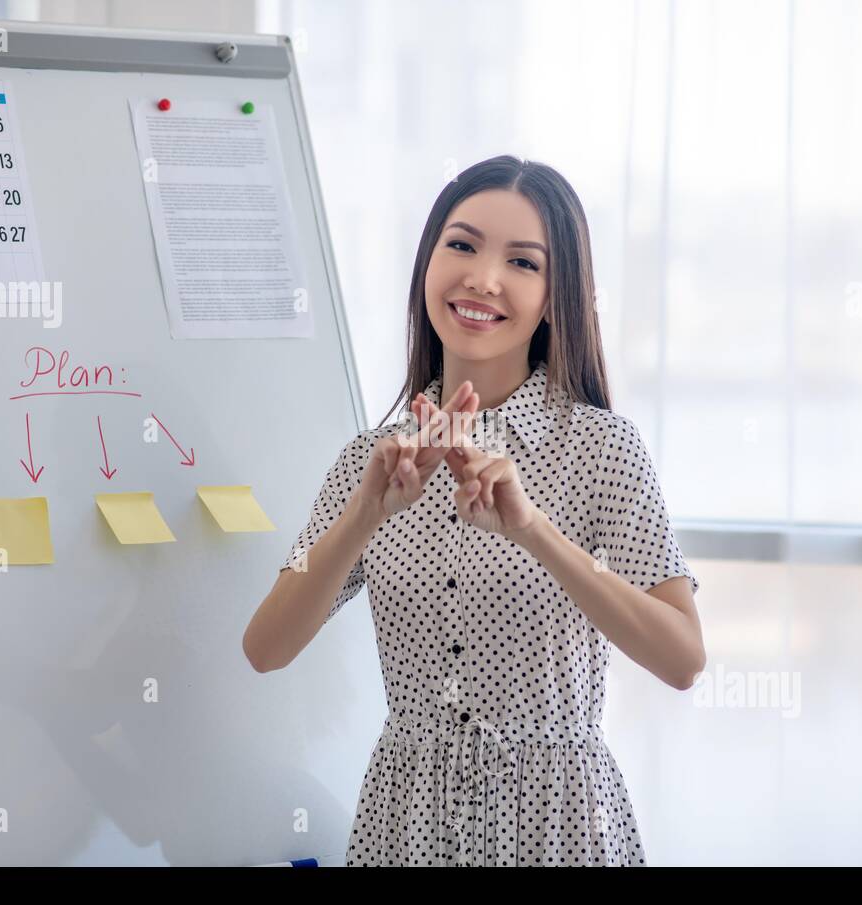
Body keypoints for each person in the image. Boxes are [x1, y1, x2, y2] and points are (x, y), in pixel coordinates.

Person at [243, 155, 704, 866]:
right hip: (407, 823)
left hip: (557, 825)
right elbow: (265, 647)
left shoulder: (602, 448)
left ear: (554, 297)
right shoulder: (373, 459)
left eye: (522, 262)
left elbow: (682, 658)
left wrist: (534, 532)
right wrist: (364, 514)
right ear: (427, 265)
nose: (483, 278)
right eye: (461, 245)